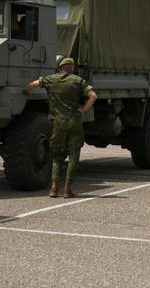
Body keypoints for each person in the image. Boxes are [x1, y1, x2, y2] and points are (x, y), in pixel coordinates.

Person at [24, 57, 97, 198]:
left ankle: (53, 188)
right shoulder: (78, 81)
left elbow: (33, 84)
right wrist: (82, 110)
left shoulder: (51, 79)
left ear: (60, 67)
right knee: (74, 155)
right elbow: (93, 96)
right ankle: (68, 188)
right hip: (74, 122)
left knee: (57, 156)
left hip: (57, 123)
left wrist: (25, 92)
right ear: (72, 67)